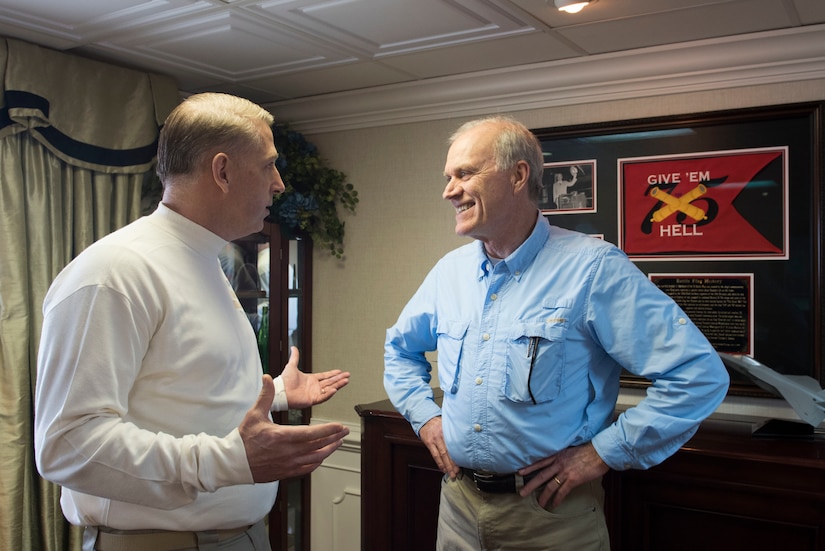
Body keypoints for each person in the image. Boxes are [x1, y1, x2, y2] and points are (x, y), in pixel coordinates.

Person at [383, 116, 729, 550]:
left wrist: (603, 452)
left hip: (549, 515)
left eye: (465, 173)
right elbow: (399, 350)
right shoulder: (448, 273)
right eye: (448, 177)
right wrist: (426, 418)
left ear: (518, 175)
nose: (449, 190)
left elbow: (697, 376)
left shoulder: (593, 268)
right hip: (457, 507)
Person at [35, 93, 350, 551]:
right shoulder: (114, 273)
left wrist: (278, 393)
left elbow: (183, 391)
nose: (279, 184)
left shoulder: (206, 262)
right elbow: (68, 444)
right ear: (221, 171)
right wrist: (229, 461)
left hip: (237, 537)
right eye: (268, 166)